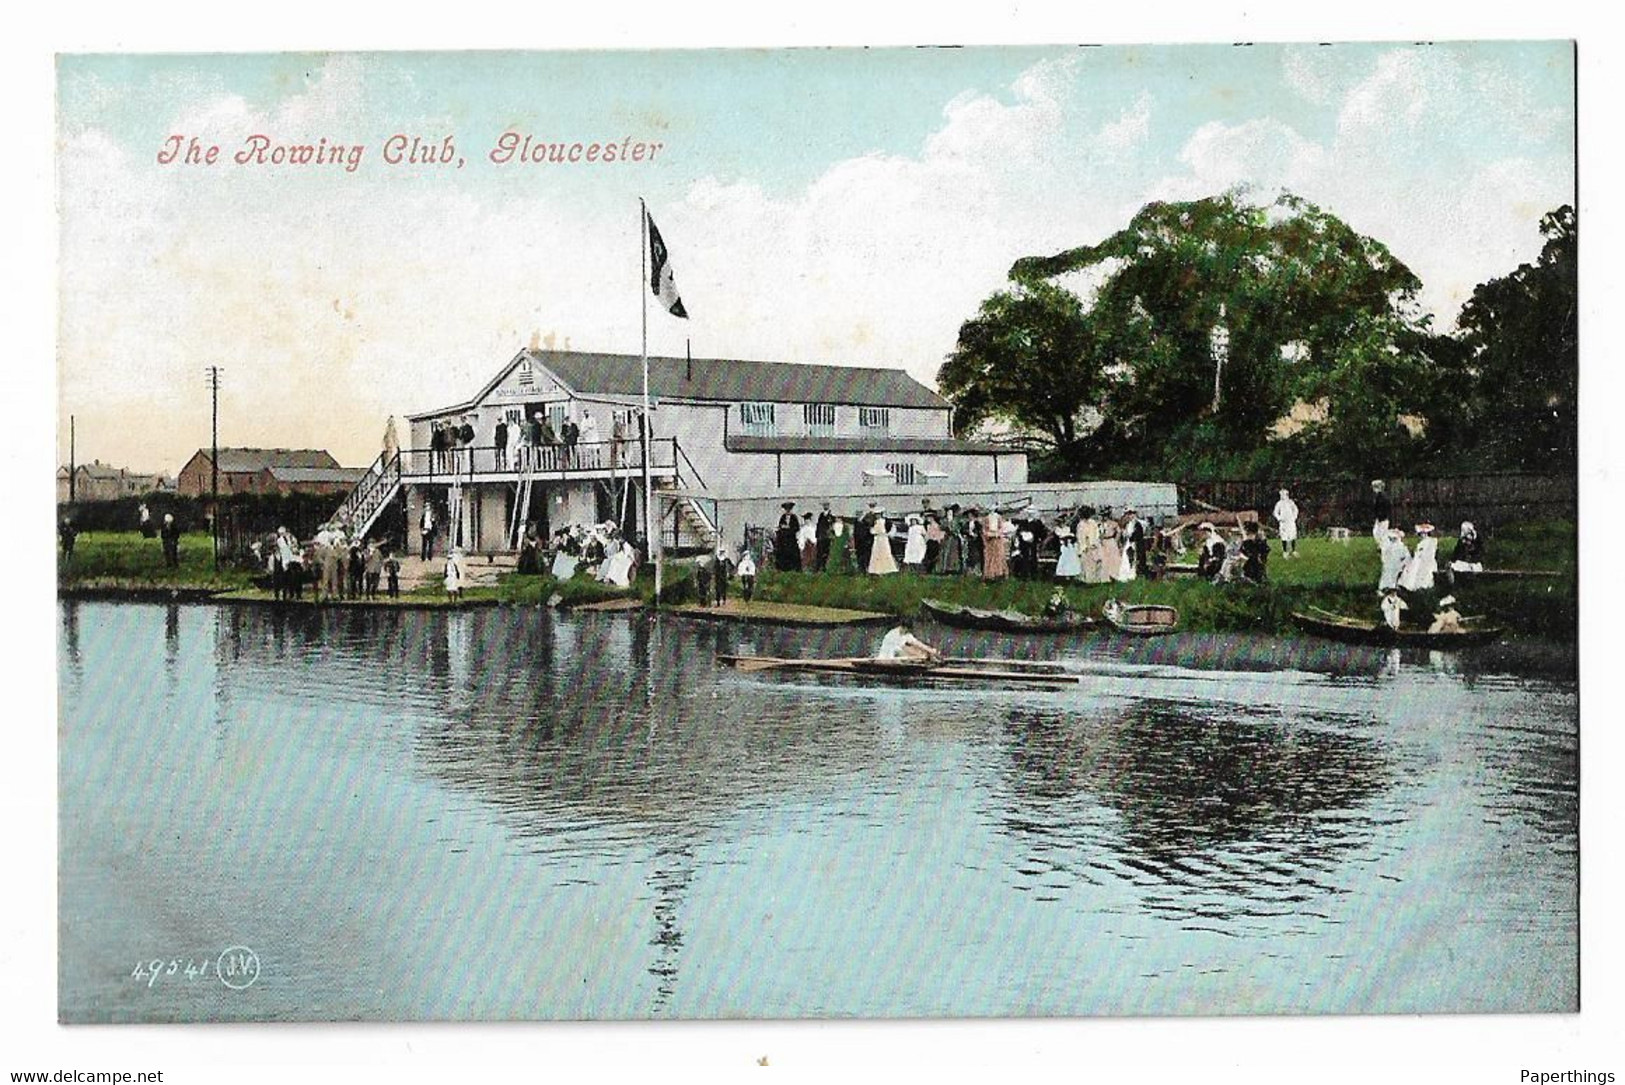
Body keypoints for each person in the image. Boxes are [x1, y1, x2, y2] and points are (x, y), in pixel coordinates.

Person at [1400, 523, 1438, 592]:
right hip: (1419, 560)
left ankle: (1422, 586)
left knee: (1422, 571)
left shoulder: (1431, 542)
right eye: (1421, 534)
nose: (1421, 535)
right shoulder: (1421, 543)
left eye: (1423, 533)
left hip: (1427, 561)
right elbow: (1418, 553)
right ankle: (1408, 586)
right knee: (1410, 569)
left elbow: (1429, 554)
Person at [876, 623, 940, 663]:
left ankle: (927, 657)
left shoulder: (905, 634)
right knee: (907, 649)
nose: (907, 632)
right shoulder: (893, 634)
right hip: (887, 658)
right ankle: (923, 658)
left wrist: (930, 650)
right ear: (902, 627)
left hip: (897, 656)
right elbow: (904, 648)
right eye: (906, 630)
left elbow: (916, 643)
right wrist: (920, 655)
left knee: (915, 649)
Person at [1077, 507, 1106, 583]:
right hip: (1086, 546)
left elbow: (1096, 533)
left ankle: (1097, 579)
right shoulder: (1081, 524)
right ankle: (1088, 580)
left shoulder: (1093, 522)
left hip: (1094, 544)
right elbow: (1081, 537)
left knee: (1097, 561)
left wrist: (1095, 543)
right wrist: (1085, 545)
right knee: (1087, 564)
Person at [1378, 527, 1410, 593]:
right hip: (1390, 564)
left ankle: (1391, 587)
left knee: (1393, 575)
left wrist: (1403, 563)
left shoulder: (1400, 546)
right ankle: (1385, 588)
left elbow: (1407, 557)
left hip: (1396, 564)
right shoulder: (1387, 545)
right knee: (1387, 575)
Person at [981, 508, 1009, 580]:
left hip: (997, 539)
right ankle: (990, 574)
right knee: (990, 556)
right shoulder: (986, 518)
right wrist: (987, 534)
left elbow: (1001, 528)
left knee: (998, 555)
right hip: (989, 541)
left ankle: (999, 573)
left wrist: (997, 534)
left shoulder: (999, 518)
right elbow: (984, 529)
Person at [773, 501, 801, 572]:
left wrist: (789, 528)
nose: (788, 511)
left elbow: (797, 528)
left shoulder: (794, 517)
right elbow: (780, 527)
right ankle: (783, 568)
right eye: (786, 509)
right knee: (783, 553)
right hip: (784, 540)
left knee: (793, 552)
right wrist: (782, 528)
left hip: (791, 539)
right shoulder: (782, 517)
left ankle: (794, 568)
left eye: (789, 509)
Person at [1273, 488, 1300, 558]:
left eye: (1284, 494)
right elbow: (1275, 512)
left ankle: (1293, 550)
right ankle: (1285, 551)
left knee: (1293, 535)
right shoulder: (1279, 503)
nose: (1283, 496)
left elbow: (1295, 510)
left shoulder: (1291, 502)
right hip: (1283, 522)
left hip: (1290, 522)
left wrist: (1294, 517)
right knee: (1284, 536)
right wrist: (1279, 519)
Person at [815, 503, 836, 571]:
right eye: (824, 505)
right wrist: (817, 535)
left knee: (826, 552)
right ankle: (818, 566)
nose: (825, 507)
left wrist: (831, 535)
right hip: (821, 537)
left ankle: (824, 566)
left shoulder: (831, 517)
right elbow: (818, 525)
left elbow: (832, 527)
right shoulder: (821, 515)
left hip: (827, 537)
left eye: (826, 505)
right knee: (819, 552)